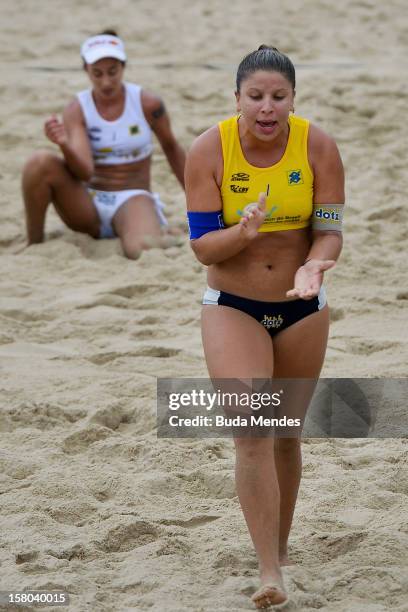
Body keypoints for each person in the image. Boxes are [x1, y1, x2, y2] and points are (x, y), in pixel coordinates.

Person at [185, 46, 344, 609]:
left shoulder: (317, 144)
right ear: (237, 100)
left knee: (285, 433)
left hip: (303, 303)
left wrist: (316, 261)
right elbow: (203, 246)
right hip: (233, 304)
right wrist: (243, 234)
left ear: (293, 99)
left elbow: (329, 230)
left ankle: (279, 546)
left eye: (278, 96)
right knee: (252, 430)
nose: (267, 107)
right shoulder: (210, 149)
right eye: (256, 97)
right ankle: (270, 571)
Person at [22, 30, 186, 258]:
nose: (106, 81)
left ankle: (153, 227)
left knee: (142, 251)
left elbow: (172, 148)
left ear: (123, 66)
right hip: (89, 201)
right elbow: (84, 171)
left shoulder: (147, 102)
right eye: (97, 73)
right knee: (39, 162)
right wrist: (63, 144)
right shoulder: (77, 107)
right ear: (86, 70)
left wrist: (198, 203)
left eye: (112, 72)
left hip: (132, 195)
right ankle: (34, 244)